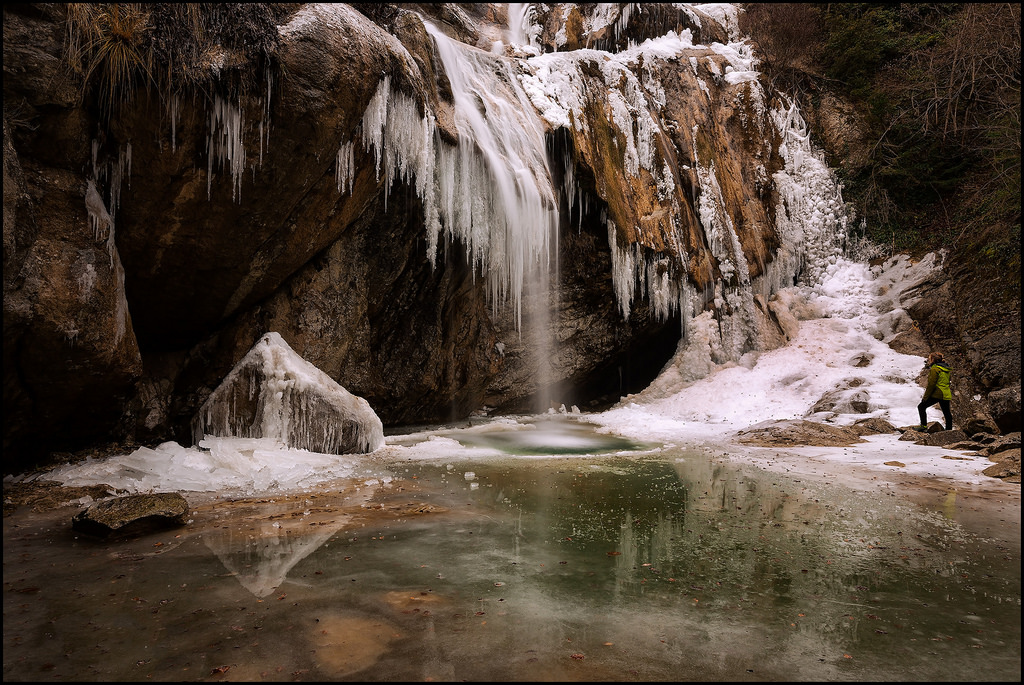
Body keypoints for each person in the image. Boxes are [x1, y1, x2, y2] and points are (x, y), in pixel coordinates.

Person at [917, 352, 953, 431]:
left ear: (932, 360)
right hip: (946, 393)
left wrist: (925, 397)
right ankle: (949, 430)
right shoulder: (946, 369)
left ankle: (923, 426)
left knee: (921, 406)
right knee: (947, 413)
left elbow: (931, 384)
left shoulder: (935, 369)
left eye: (930, 359)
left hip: (938, 393)